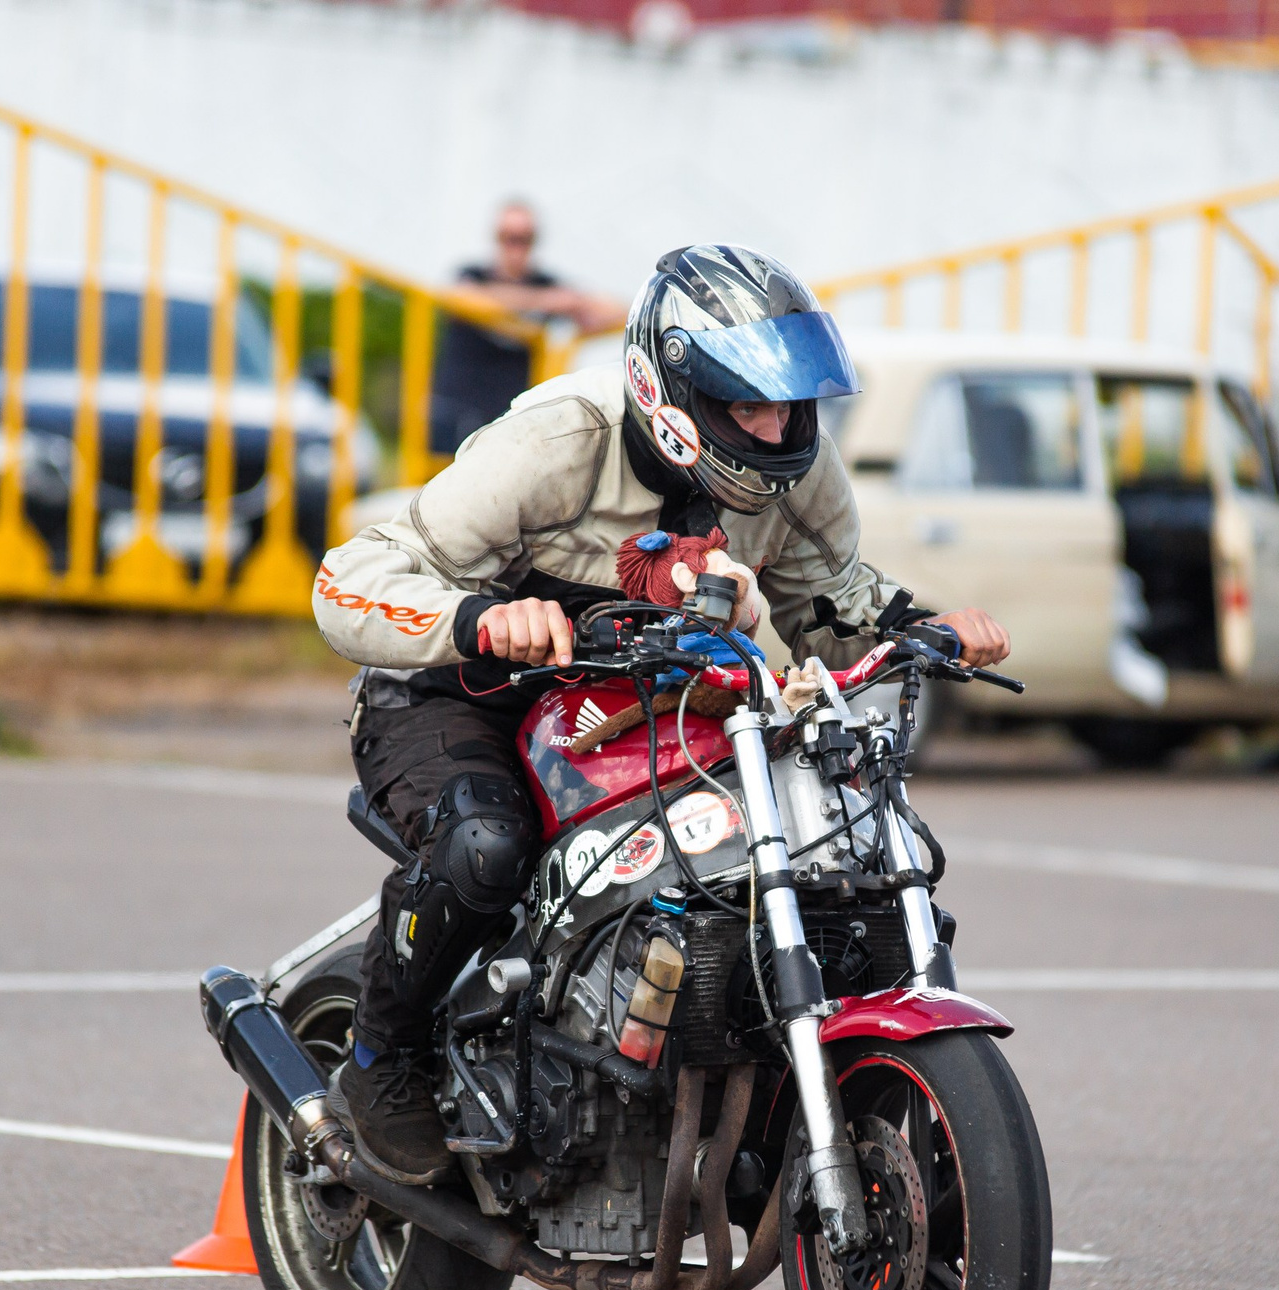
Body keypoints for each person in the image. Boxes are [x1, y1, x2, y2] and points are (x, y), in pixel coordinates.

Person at [308, 242, 1011, 1184]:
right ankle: (380, 1060)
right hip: (455, 694)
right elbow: (348, 581)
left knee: (768, 863)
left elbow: (828, 606)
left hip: (638, 703)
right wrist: (480, 617)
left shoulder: (795, 473)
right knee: (485, 844)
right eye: (746, 405)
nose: (773, 430)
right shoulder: (560, 441)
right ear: (671, 390)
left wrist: (923, 627)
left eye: (788, 406)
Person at [428, 200, 623, 455]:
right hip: (457, 415)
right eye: (509, 237)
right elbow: (459, 296)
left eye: (525, 238)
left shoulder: (546, 284)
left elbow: (618, 311)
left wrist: (576, 304)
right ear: (497, 238)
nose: (516, 247)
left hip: (512, 421)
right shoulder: (472, 275)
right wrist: (545, 301)